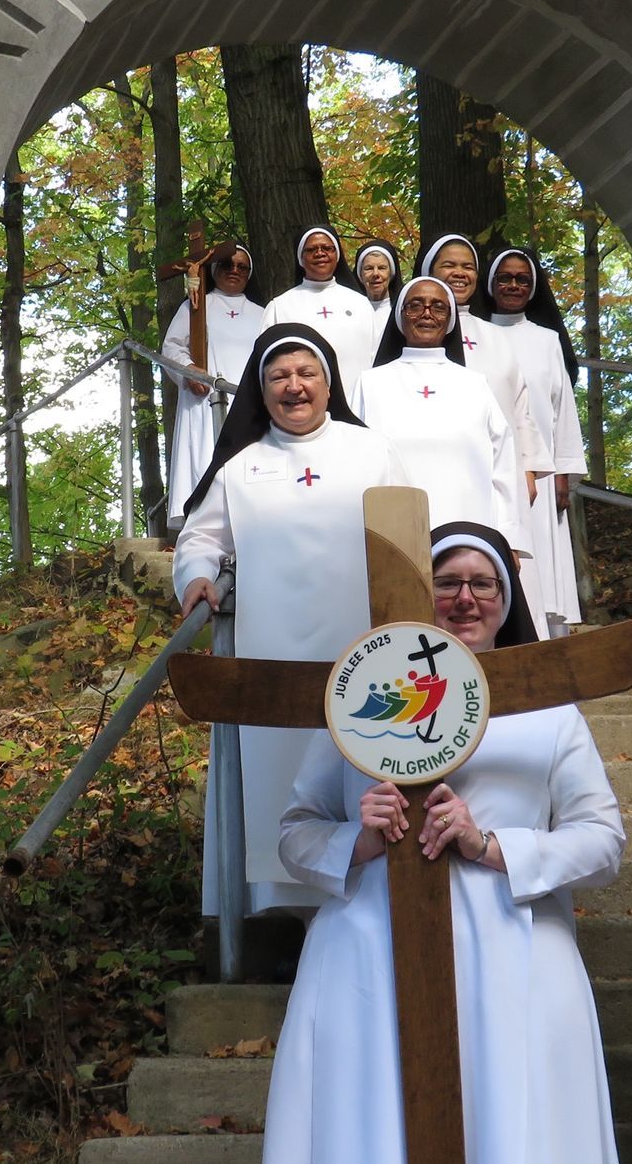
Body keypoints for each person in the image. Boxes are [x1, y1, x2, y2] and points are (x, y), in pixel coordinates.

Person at [264, 521, 625, 1164]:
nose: (465, 599)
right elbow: (297, 832)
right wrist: (360, 841)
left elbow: (601, 840)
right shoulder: (359, 701)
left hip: (516, 948)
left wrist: (489, 845)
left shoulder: (550, 710)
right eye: (447, 583)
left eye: (483, 584)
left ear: (506, 600)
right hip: (370, 948)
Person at [173, 324, 410, 914]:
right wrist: (197, 576)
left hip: (365, 646)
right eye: (279, 376)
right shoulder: (241, 466)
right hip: (271, 651)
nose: (294, 386)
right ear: (262, 390)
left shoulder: (372, 450)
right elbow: (201, 538)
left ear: (329, 385)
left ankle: (376, 898)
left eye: (307, 374)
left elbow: (409, 538)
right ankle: (282, 911)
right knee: (275, 777)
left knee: (366, 767)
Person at [419, 233, 555, 631]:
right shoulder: (413, 333)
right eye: (448, 265)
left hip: (499, 481)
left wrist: (527, 468)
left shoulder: (496, 336)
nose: (459, 273)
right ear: (428, 271)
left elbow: (520, 408)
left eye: (468, 266)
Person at [350, 276, 524, 549]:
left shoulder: (475, 384)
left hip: (470, 534)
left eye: (438, 307)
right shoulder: (369, 383)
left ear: (451, 318)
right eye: (415, 305)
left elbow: (503, 466)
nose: (427, 313)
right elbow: (353, 462)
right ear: (400, 315)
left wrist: (508, 540)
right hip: (393, 536)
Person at [484, 247, 588, 625]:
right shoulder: (475, 335)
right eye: (505, 278)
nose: (513, 285)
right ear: (490, 284)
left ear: (533, 287)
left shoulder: (547, 340)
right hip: (489, 464)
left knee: (541, 559)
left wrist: (562, 473)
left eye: (522, 279)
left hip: (540, 472)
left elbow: (563, 409)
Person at [158, 244, 264, 530]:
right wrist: (188, 370)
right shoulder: (195, 306)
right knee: (204, 458)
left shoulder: (264, 314)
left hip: (249, 401)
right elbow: (172, 347)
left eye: (242, 266)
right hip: (203, 399)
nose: (234, 270)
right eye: (228, 264)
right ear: (214, 269)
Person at [260, 225, 379, 393]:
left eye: (327, 248)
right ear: (300, 258)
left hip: (358, 399)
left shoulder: (361, 303)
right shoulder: (280, 307)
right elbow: (267, 364)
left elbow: (376, 356)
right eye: (311, 249)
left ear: (337, 254)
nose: (320, 253)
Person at [354, 239, 402, 323]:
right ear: (360, 274)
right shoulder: (351, 310)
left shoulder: (403, 311)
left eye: (381, 268)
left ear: (391, 273)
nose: (375, 274)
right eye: (369, 268)